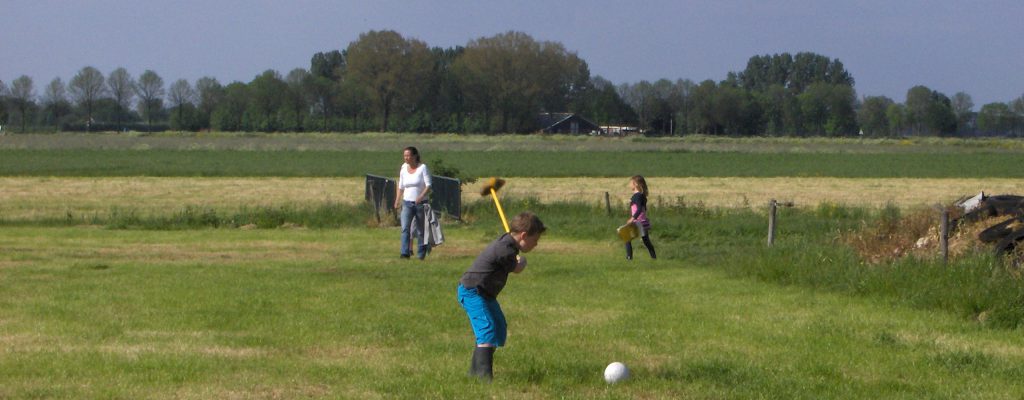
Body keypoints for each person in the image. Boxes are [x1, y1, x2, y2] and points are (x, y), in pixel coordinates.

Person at [457, 212, 546, 381]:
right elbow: (517, 269)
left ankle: (473, 373)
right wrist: (522, 262)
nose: (536, 244)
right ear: (524, 235)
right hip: (473, 291)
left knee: (498, 326)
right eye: (535, 240)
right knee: (487, 328)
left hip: (486, 293)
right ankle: (483, 377)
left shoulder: (509, 245)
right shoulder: (505, 250)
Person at [393, 146, 432, 259]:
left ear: (415, 156)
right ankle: (404, 253)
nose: (406, 158)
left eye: (408, 155)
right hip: (407, 203)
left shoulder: (423, 168)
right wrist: (397, 200)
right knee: (405, 228)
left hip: (421, 204)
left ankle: (421, 254)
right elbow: (401, 186)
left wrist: (421, 196)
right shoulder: (403, 168)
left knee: (420, 230)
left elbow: (428, 185)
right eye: (405, 156)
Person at [625, 175, 656, 260]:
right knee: (646, 241)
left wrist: (632, 218)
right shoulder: (642, 196)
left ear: (635, 184)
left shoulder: (637, 196)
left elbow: (638, 209)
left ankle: (629, 258)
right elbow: (643, 209)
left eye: (630, 183)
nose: (629, 185)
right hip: (643, 222)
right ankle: (654, 258)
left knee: (627, 239)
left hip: (637, 222)